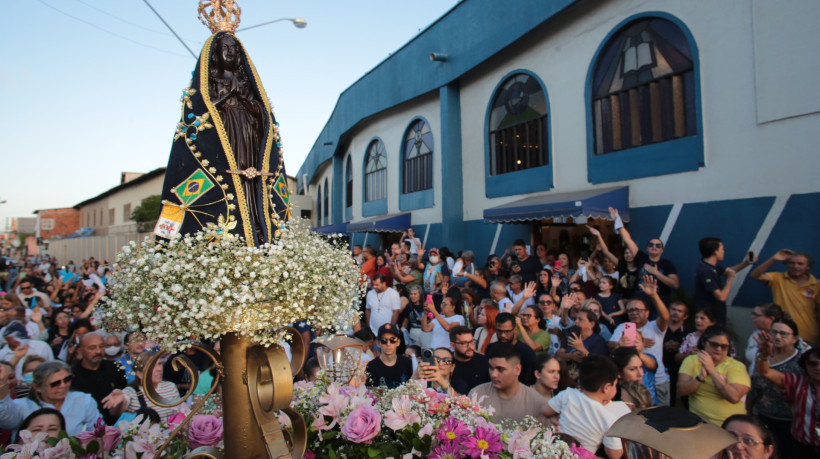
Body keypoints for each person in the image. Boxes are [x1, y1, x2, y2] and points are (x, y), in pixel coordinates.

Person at [543, 355, 630, 458]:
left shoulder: (568, 394)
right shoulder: (609, 419)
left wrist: (555, 417)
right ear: (606, 387)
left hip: (553, 452)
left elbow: (545, 410)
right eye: (615, 385)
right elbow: (615, 455)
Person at [609, 276, 671, 405]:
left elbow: (665, 317)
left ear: (647, 313)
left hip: (658, 380)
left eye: (638, 309)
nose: (634, 313)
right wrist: (619, 344)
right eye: (630, 310)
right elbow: (610, 344)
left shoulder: (654, 326)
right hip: (631, 383)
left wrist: (654, 296)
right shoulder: (622, 327)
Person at [754, 332, 820, 454]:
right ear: (805, 365)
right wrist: (764, 356)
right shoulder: (798, 381)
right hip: (802, 447)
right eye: (813, 363)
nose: (818, 367)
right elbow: (765, 372)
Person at [0, 360, 101, 436]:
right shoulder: (21, 406)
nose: (63, 386)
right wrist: (2, 387)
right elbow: (6, 421)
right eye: (55, 383)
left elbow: (100, 433)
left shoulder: (84, 401)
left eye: (67, 379)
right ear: (37, 387)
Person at [747, 319, 803, 457]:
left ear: (795, 338)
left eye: (783, 334)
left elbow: (766, 372)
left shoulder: (802, 362)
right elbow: (755, 386)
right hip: (763, 417)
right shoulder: (762, 354)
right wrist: (748, 411)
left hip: (790, 423)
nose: (778, 337)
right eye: (774, 332)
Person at [677, 326, 751, 426]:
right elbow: (681, 391)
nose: (719, 349)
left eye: (724, 346)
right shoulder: (691, 361)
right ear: (704, 342)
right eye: (714, 344)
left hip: (729, 425)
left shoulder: (736, 366)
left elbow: (734, 397)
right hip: (698, 422)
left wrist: (711, 370)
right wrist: (700, 377)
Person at [610, 207, 679, 309]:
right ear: (647, 248)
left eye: (658, 245)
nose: (654, 247)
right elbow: (628, 240)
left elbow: (675, 285)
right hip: (640, 299)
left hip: (659, 300)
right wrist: (618, 221)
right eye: (651, 245)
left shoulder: (667, 264)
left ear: (662, 250)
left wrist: (656, 273)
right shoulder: (641, 258)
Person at [750, 249, 819, 345]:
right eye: (792, 263)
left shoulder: (817, 285)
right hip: (781, 335)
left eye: (800, 264)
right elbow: (755, 275)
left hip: (808, 336)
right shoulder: (778, 278)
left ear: (808, 266)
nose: (795, 266)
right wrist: (773, 259)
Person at [468, 342, 549, 424]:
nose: (494, 375)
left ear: (517, 369)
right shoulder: (476, 395)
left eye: (500, 369)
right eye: (491, 368)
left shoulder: (536, 402)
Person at [102, 351, 180, 423]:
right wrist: (120, 402)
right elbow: (116, 412)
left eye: (159, 364)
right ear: (139, 374)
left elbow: (180, 414)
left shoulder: (170, 387)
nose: (159, 369)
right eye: (152, 366)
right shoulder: (131, 392)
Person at [694, 237, 754, 326]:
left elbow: (729, 271)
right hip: (710, 317)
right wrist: (730, 279)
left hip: (718, 314)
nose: (724, 251)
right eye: (722, 249)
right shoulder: (705, 271)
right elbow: (721, 297)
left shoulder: (712, 266)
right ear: (715, 251)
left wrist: (746, 263)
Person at [70, 332, 127, 425]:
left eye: (101, 346)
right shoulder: (72, 375)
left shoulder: (116, 368)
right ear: (79, 351)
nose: (98, 351)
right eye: (92, 348)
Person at [486, 313, 536, 385]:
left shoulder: (527, 352)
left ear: (515, 329)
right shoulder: (490, 348)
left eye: (507, 332)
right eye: (499, 331)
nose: (503, 335)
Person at [365, 324, 414, 388]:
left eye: (392, 340)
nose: (388, 344)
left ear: (398, 342)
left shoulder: (407, 363)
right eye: (384, 340)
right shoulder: (371, 366)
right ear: (378, 343)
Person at [745, 303, 787, 376]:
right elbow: (747, 361)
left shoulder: (785, 339)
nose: (752, 317)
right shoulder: (755, 334)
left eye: (757, 315)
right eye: (753, 314)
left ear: (771, 319)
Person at [449, 326, 490, 395]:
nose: (470, 346)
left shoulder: (485, 362)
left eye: (471, 342)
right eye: (463, 343)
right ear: (453, 345)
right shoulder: (447, 363)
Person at [663, 301, 689, 405]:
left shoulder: (689, 331)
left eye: (680, 311)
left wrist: (680, 347)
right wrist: (664, 346)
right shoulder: (660, 326)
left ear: (685, 316)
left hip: (681, 370)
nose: (675, 313)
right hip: (662, 368)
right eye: (673, 309)